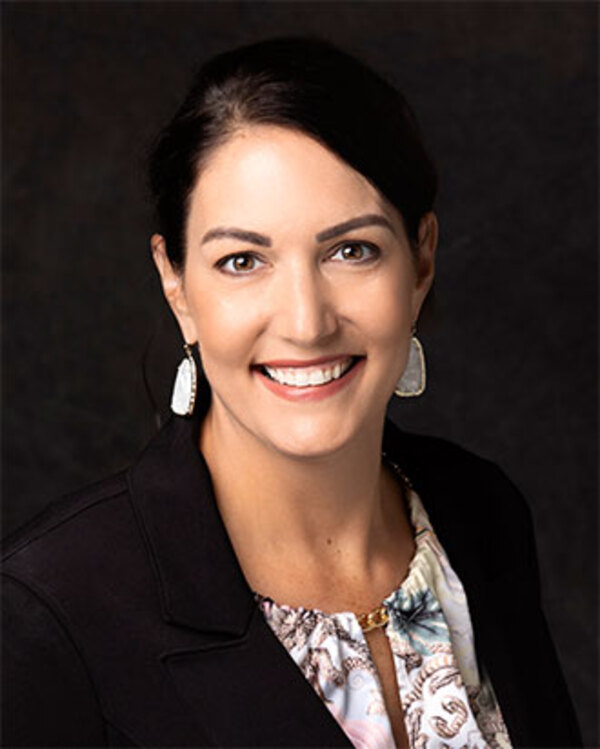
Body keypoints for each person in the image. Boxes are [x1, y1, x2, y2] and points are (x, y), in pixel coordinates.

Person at [2, 36, 582, 749]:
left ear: (421, 260)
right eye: (242, 260)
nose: (306, 322)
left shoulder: (482, 514)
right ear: (177, 283)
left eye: (351, 250)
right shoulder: (49, 614)